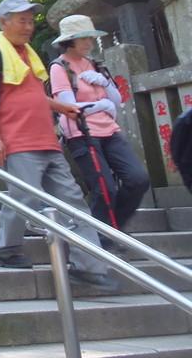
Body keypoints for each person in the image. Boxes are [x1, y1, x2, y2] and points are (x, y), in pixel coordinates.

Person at [0, 0, 118, 291]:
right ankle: (7, 248)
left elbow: (34, 95)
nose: (29, 27)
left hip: (48, 141)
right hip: (17, 140)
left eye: (31, 21)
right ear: (4, 22)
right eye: (22, 20)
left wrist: (62, 107)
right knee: (24, 199)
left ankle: (89, 268)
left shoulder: (28, 55)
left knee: (73, 202)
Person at [50, 14, 149, 244]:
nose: (89, 42)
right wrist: (102, 105)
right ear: (69, 41)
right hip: (82, 133)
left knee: (138, 178)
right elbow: (69, 107)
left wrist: (103, 83)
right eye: (83, 38)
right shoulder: (59, 67)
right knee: (104, 188)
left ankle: (112, 229)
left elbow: (117, 99)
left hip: (110, 131)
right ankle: (99, 239)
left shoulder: (96, 64)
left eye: (90, 37)